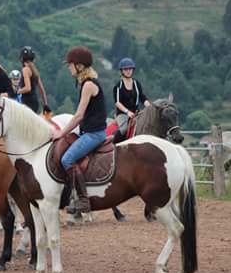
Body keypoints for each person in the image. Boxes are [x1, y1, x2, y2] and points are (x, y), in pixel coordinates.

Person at [51, 46, 107, 214]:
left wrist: (61, 132)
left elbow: (78, 116)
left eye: (71, 65)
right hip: (87, 132)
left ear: (80, 67)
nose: (69, 68)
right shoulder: (85, 83)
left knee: (67, 159)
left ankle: (83, 200)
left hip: (94, 134)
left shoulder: (88, 85)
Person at [112, 57, 150, 143]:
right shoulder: (118, 86)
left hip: (136, 113)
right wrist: (127, 112)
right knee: (124, 129)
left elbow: (142, 97)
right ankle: (114, 146)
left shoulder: (136, 83)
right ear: (122, 71)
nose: (128, 71)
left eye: (130, 69)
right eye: (126, 69)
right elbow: (117, 103)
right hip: (123, 114)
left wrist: (149, 106)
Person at [15, 46, 50, 114]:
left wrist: (16, 91)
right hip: (35, 102)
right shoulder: (35, 71)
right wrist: (45, 104)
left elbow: (28, 88)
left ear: (22, 59)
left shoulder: (25, 69)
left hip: (27, 102)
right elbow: (42, 90)